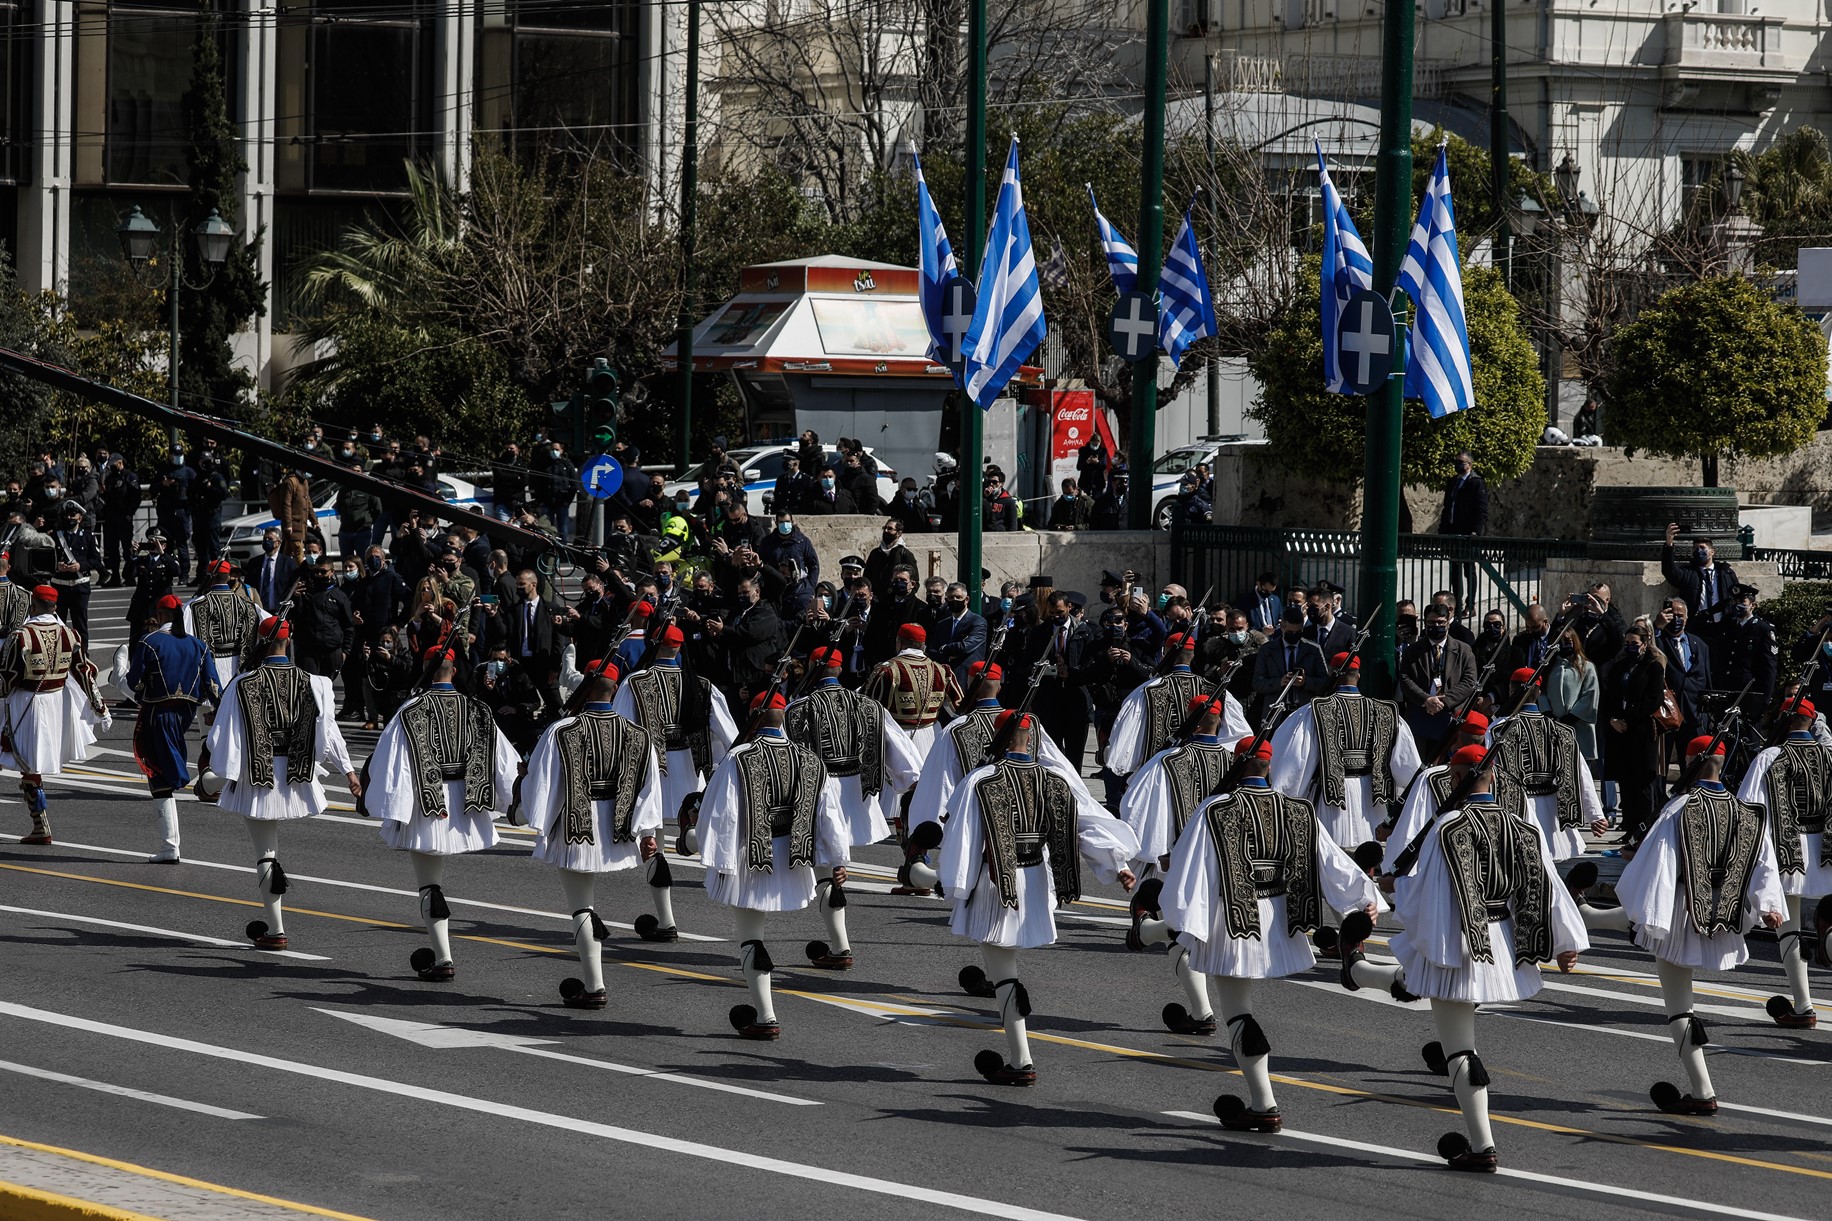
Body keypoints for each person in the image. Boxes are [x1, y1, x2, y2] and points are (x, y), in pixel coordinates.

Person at [1348, 746, 1585, 1171]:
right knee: (1458, 1040)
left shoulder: (1448, 828)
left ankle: (1482, 1147)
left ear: (1453, 780)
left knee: (1460, 1049)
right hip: (1504, 940)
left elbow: (1430, 896)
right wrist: (1567, 942)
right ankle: (1360, 971)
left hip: (1461, 944)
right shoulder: (1521, 827)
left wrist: (1392, 888)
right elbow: (1547, 884)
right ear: (1492, 777)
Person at [1151, 733, 1384, 1130]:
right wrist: (1364, 898)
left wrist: (1179, 921)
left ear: (1238, 764)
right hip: (1280, 921)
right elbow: (1330, 861)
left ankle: (1264, 1104)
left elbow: (1189, 873)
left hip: (1233, 925)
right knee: (1241, 1011)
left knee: (1238, 1013)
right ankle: (1262, 1101)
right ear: (1270, 766)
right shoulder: (1298, 810)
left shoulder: (1215, 808)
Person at [939, 712, 1137, 1085]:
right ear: (1031, 740)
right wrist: (1116, 863)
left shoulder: (981, 780)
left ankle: (1021, 1061)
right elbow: (1084, 825)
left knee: (1003, 972)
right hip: (1035, 879)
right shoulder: (1056, 781)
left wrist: (956, 886)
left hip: (997, 882)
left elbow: (963, 837)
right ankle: (1019, 1058)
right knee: (1004, 970)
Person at [1614, 736, 1784, 1115]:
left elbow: (1658, 864)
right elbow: (1764, 863)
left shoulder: (1679, 808)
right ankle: (1701, 1088)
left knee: (1679, 1006)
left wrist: (1650, 916)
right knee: (1682, 1003)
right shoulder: (1745, 810)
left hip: (1679, 912)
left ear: (1690, 759)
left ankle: (1703, 1091)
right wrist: (1769, 906)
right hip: (1721, 911)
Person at [699, 690, 850, 1041]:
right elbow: (829, 816)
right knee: (753, 937)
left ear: (754, 716)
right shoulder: (810, 760)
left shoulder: (739, 757)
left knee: (751, 937)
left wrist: (718, 861)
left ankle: (766, 1016)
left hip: (750, 860)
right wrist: (837, 859)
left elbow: (724, 814)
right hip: (793, 860)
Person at [203, 616, 360, 950]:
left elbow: (223, 738)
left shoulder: (242, 683)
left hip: (257, 776)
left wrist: (221, 774)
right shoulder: (316, 683)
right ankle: (274, 928)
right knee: (269, 853)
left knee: (265, 853)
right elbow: (329, 733)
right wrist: (348, 772)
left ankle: (276, 930)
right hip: (296, 774)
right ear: (288, 642)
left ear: (260, 641)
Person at [364, 645, 519, 980]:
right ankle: (441, 956)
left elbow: (393, 765)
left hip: (427, 804)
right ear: (454, 669)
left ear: (426, 667)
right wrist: (512, 803)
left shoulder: (411, 710)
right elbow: (504, 760)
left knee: (429, 884)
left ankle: (443, 958)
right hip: (467, 802)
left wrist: (388, 807)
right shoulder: (477, 708)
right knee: (431, 883)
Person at [515, 663, 662, 1007]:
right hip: (619, 829)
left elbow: (544, 781)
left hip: (575, 827)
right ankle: (593, 983)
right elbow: (649, 788)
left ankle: (594, 986)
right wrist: (647, 832)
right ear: (613, 690)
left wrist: (534, 819)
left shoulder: (563, 730)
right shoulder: (638, 734)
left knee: (581, 905)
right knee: (584, 905)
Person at [784, 647, 921, 968]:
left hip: (818, 798)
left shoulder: (798, 708)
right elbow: (903, 757)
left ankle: (840, 947)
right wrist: (906, 786)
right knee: (831, 870)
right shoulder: (870, 707)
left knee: (825, 875)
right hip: (858, 800)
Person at [612, 624, 738, 941]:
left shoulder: (635, 683)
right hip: (690, 774)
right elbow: (731, 737)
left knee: (654, 846)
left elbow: (620, 732)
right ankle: (692, 837)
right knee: (689, 827)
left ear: (655, 646)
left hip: (653, 774)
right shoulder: (703, 685)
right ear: (680, 648)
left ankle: (667, 922)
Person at [1735, 701, 1832, 1029]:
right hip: (1827, 854)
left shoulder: (1770, 757)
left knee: (1788, 929)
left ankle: (1804, 1007)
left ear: (1783, 719)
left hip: (1789, 856)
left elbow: (1749, 810)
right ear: (1813, 720)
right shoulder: (1830, 755)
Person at [1268, 652, 1421, 853]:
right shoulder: (1387, 712)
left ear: (1332, 674)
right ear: (1358, 676)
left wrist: (1287, 801)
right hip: (1372, 799)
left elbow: (1295, 762)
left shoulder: (1312, 712)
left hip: (1331, 799)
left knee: (1333, 859)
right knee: (1370, 857)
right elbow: (1408, 767)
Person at [1, 585, 108, 846]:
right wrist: (99, 705)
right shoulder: (69, 634)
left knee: (28, 765)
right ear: (56, 607)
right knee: (32, 766)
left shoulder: (21, 636)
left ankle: (41, 826)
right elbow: (84, 672)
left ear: (33, 605)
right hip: (56, 703)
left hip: (28, 703)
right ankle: (40, 825)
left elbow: (7, 680)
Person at [126, 592, 214, 862]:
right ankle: (170, 846)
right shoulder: (199, 645)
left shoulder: (150, 641)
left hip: (158, 712)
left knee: (159, 777)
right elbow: (213, 685)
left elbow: (134, 680)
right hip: (186, 714)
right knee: (165, 772)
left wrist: (141, 692)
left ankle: (170, 847)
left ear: (161, 614)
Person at [1489, 667, 1606, 859]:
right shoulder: (1562, 731)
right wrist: (1595, 815)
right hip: (1552, 811)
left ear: (1511, 692)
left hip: (1518, 809)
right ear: (1539, 693)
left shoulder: (1498, 729)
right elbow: (1581, 773)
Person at [1107, 632, 1250, 779]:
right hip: (1204, 772)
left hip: (1156, 772)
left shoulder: (1147, 690)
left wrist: (1126, 765)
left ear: (1165, 654)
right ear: (1192, 655)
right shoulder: (1215, 690)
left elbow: (1126, 733)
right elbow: (1239, 735)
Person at [1398, 605, 1479, 759]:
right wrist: (1426, 700)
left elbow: (1469, 681)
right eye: (1432, 623)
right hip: (1420, 718)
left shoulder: (1464, 650)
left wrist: (1444, 701)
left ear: (1448, 622)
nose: (1436, 626)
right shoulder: (1413, 651)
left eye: (1441, 622)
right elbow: (1405, 679)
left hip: (1451, 717)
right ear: (1425, 623)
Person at [1661, 523, 1740, 631]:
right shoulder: (1688, 573)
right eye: (1695, 548)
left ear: (1712, 552)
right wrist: (1669, 544)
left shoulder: (1726, 573)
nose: (1698, 551)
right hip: (1697, 626)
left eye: (1702, 548)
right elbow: (1670, 572)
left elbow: (1736, 596)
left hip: (1723, 626)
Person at [1714, 584, 1778, 717]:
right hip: (1726, 689)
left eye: (1742, 602)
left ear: (1752, 606)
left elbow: (1769, 667)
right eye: (1735, 602)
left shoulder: (1763, 629)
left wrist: (1765, 699)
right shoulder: (1728, 625)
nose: (1738, 605)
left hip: (1748, 692)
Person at [1544, 626, 1602, 772]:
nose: (1565, 644)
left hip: (1579, 730)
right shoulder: (1549, 667)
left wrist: (1571, 717)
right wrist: (1548, 714)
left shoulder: (1587, 667)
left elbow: (1590, 694)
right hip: (1553, 729)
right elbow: (1541, 692)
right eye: (1561, 641)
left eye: (1568, 641)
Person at [1437, 450, 1488, 615]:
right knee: (1455, 570)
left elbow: (1481, 510)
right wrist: (1442, 530)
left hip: (1468, 533)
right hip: (1452, 532)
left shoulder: (1476, 483)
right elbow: (1447, 507)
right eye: (1456, 461)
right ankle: (1456, 604)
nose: (1458, 465)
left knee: (1469, 569)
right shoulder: (1453, 482)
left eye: (1462, 462)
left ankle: (1470, 604)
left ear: (1469, 464)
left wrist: (1476, 532)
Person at [1251, 604, 1329, 709]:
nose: (1294, 635)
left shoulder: (1313, 649)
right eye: (1290, 632)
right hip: (1277, 710)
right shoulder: (1267, 650)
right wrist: (1279, 682)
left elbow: (1325, 682)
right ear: (1282, 627)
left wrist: (1305, 682)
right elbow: (1257, 683)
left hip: (1303, 710)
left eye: (1298, 632)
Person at [100, 454, 141, 588]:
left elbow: (135, 496)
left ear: (120, 462)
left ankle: (130, 576)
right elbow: (108, 497)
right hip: (111, 517)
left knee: (127, 549)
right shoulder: (110, 478)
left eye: (114, 463)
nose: (112, 466)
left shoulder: (129, 476)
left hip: (124, 517)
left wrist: (129, 513)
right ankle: (115, 577)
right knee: (112, 550)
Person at [863, 519, 916, 598]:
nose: (886, 531)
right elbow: (866, 577)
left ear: (899, 533)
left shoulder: (905, 554)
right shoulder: (875, 553)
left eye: (890, 529)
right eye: (885, 528)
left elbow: (915, 582)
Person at [1076, 431, 1111, 499]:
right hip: (1085, 481)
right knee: (1084, 500)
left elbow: (1103, 466)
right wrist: (1087, 462)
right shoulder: (1084, 451)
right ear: (1090, 442)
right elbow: (1078, 467)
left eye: (1096, 444)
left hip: (1098, 481)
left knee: (1098, 501)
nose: (1095, 446)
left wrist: (1097, 462)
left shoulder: (1102, 452)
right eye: (1093, 444)